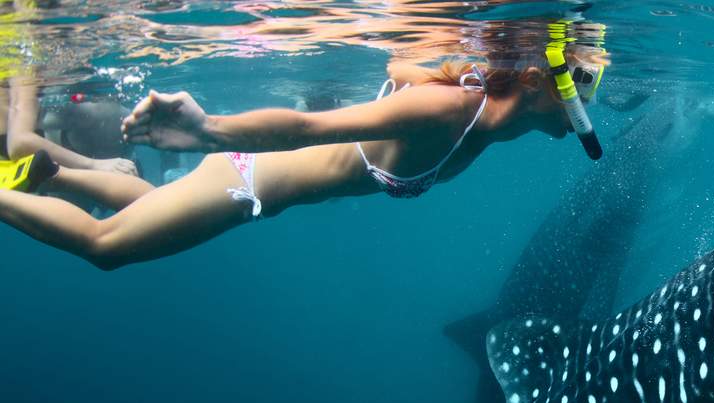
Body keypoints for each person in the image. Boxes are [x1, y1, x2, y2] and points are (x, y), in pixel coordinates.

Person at [0, 41, 607, 271]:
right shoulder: (448, 114)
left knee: (154, 205)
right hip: (247, 181)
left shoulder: (475, 110)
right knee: (105, 248)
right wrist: (208, 128)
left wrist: (426, 65)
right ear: (533, 79)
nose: (589, 103)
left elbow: (399, 64)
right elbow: (306, 126)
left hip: (254, 191)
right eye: (586, 86)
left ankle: (49, 172)